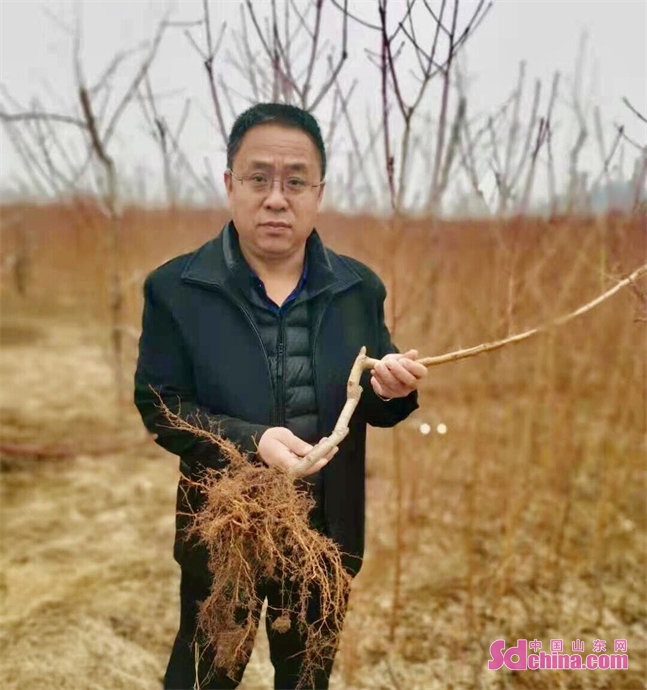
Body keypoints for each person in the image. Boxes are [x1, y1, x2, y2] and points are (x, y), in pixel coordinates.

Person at [133, 102, 427, 690]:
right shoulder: (178, 289)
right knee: (202, 678)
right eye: (258, 178)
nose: (276, 199)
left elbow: (374, 399)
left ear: (319, 192)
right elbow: (162, 406)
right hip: (224, 533)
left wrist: (391, 390)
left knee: (306, 680)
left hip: (323, 539)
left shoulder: (357, 289)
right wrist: (253, 442)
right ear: (229, 184)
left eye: (295, 182)